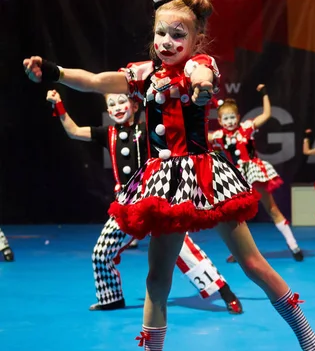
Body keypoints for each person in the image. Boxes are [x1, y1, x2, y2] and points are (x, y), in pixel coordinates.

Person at [24, 0, 315, 351]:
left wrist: (202, 90)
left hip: (206, 177)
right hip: (164, 182)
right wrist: (55, 73)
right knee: (157, 277)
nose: (167, 41)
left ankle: (310, 341)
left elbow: (201, 80)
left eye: (179, 34)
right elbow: (96, 81)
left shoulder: (199, 66)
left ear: (196, 38)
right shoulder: (141, 74)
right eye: (160, 32)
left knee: (253, 265)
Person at [46, 88, 243, 313]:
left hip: (154, 200)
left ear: (135, 106)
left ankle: (225, 292)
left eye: (122, 102)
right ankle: (111, 298)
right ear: (107, 110)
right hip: (126, 205)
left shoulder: (147, 129)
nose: (118, 107)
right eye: (112, 104)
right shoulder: (107, 133)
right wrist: (59, 105)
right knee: (101, 252)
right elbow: (73, 131)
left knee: (183, 250)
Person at [209, 93, 304, 262]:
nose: (230, 121)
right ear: (220, 120)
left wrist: (266, 94)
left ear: (238, 117)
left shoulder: (246, 128)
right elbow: (199, 135)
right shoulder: (217, 136)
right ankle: (239, 251)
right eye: (226, 118)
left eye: (232, 117)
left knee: (272, 209)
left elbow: (267, 114)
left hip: (253, 172)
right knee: (235, 216)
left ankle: (293, 245)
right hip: (235, 177)